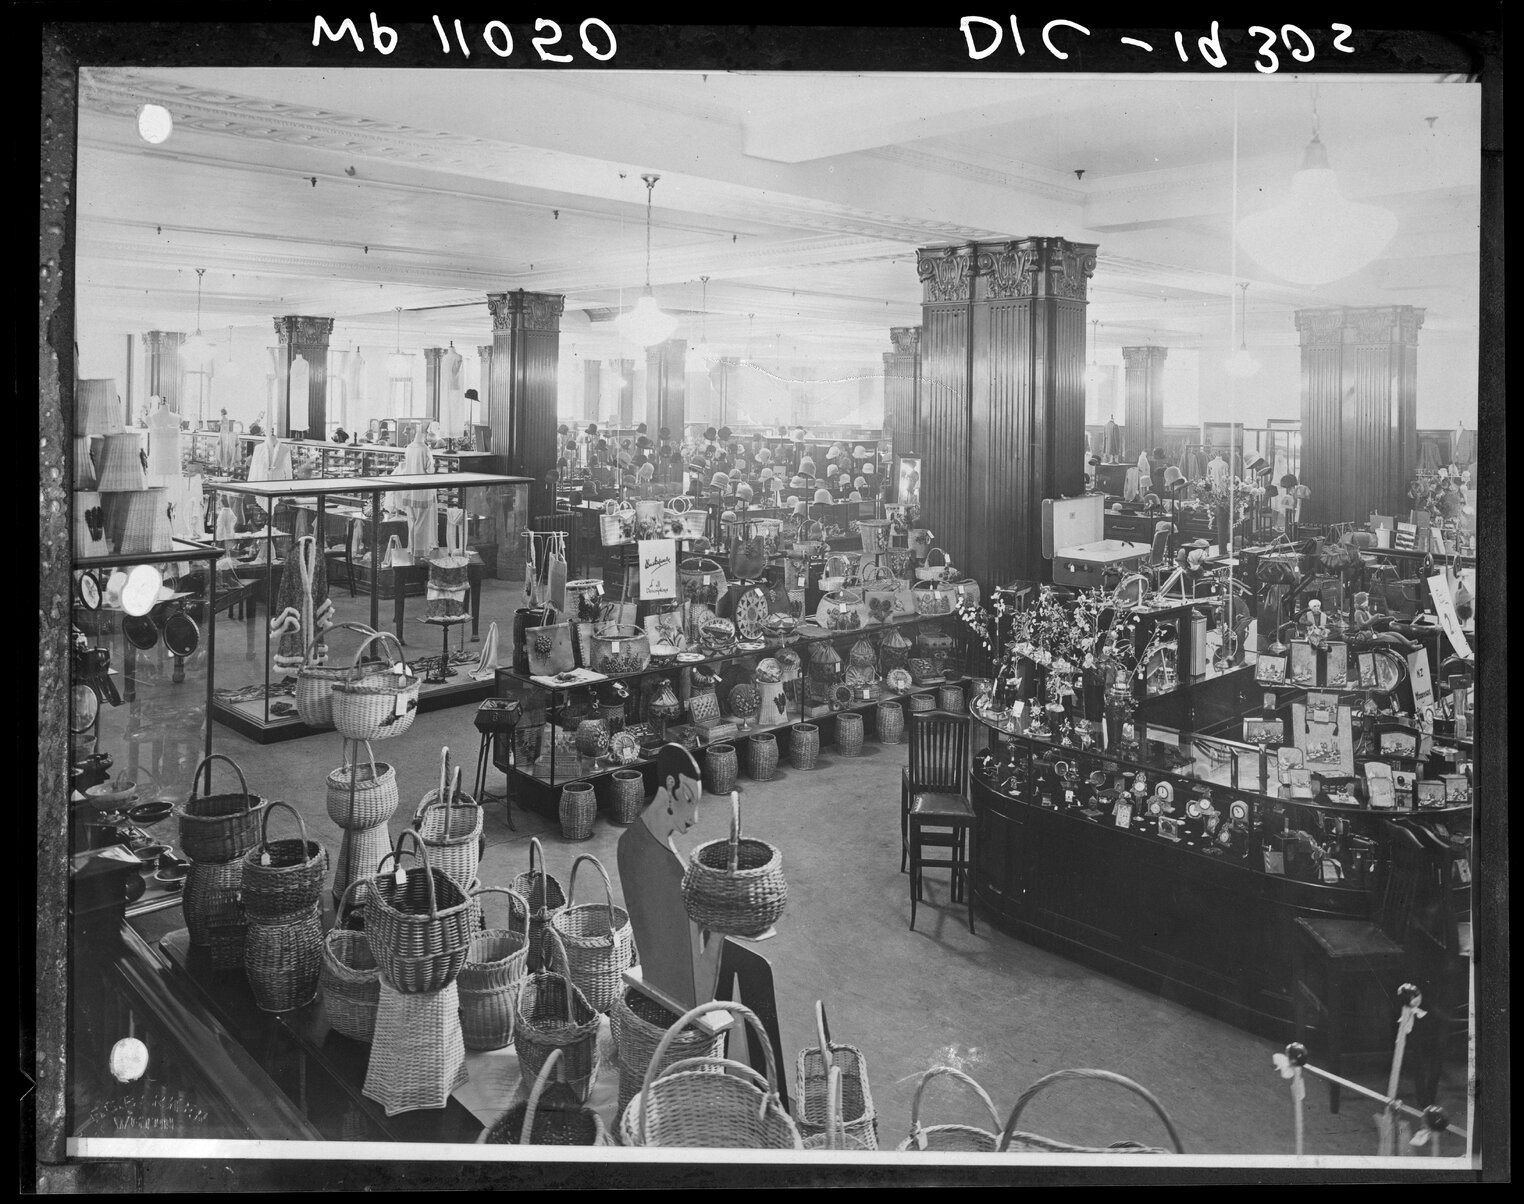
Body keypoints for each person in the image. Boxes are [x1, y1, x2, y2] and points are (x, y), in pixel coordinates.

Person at [615, 744, 725, 1009]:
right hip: (682, 997)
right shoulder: (674, 873)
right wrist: (720, 929)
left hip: (656, 975)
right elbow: (699, 994)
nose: (695, 818)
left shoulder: (627, 843)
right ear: (670, 784)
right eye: (688, 800)